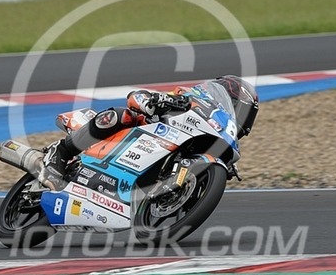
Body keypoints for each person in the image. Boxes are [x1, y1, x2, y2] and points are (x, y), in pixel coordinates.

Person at [40, 75, 258, 190]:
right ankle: (62, 152)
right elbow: (137, 97)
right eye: (240, 109)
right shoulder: (190, 97)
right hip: (141, 132)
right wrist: (155, 101)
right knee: (120, 115)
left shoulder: (222, 139)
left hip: (158, 155)